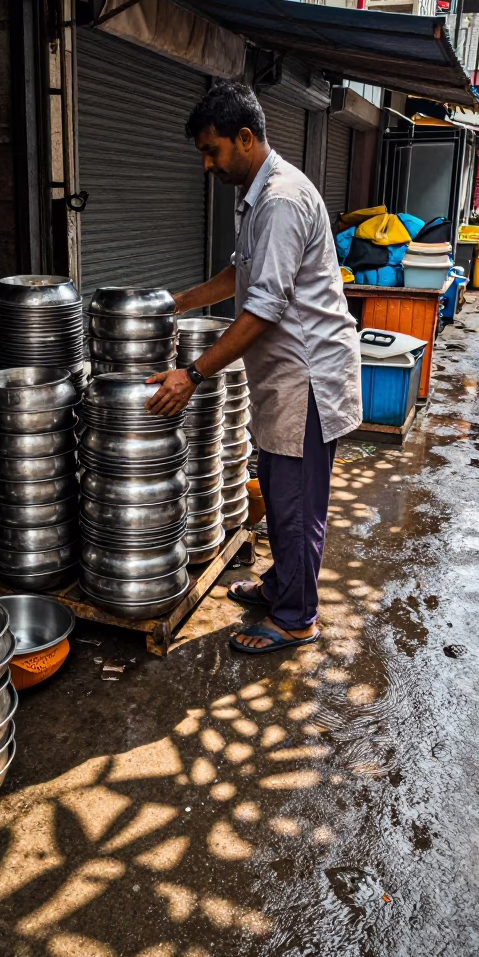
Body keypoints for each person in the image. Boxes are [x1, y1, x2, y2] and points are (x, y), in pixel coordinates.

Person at [145, 82, 361, 654]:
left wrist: (190, 374)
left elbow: (263, 307)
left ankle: (296, 618)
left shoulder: (282, 200)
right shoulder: (259, 198)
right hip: (283, 378)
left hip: (307, 379)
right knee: (280, 490)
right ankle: (280, 585)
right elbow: (238, 277)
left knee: (296, 504)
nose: (207, 164)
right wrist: (172, 304)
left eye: (212, 151)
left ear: (245, 138)